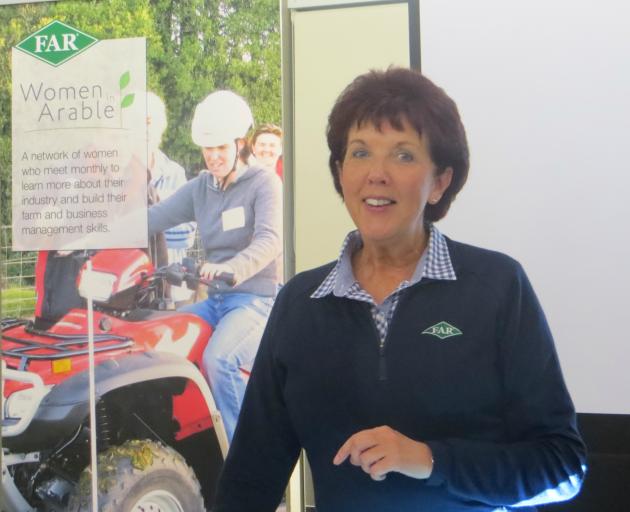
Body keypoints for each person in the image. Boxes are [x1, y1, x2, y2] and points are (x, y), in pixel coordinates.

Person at [212, 68, 586, 511]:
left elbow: (561, 466)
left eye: (404, 155)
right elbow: (250, 480)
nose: (377, 174)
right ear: (340, 171)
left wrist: (431, 460)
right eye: (360, 152)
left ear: (440, 181)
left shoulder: (498, 287)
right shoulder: (300, 302)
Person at [148, 90, 283, 443]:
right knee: (159, 340)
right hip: (216, 303)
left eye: (220, 148)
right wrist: (91, 231)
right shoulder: (201, 188)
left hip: (256, 300)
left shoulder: (264, 183)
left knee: (219, 360)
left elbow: (270, 241)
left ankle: (246, 458)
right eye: (207, 149)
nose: (212, 156)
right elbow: (153, 218)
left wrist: (232, 269)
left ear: (241, 143)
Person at [146, 91, 196, 302]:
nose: (144, 129)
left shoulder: (174, 172)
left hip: (173, 292)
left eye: (149, 121)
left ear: (161, 126)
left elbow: (187, 234)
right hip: (128, 292)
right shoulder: (114, 174)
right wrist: (167, 213)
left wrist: (147, 222)